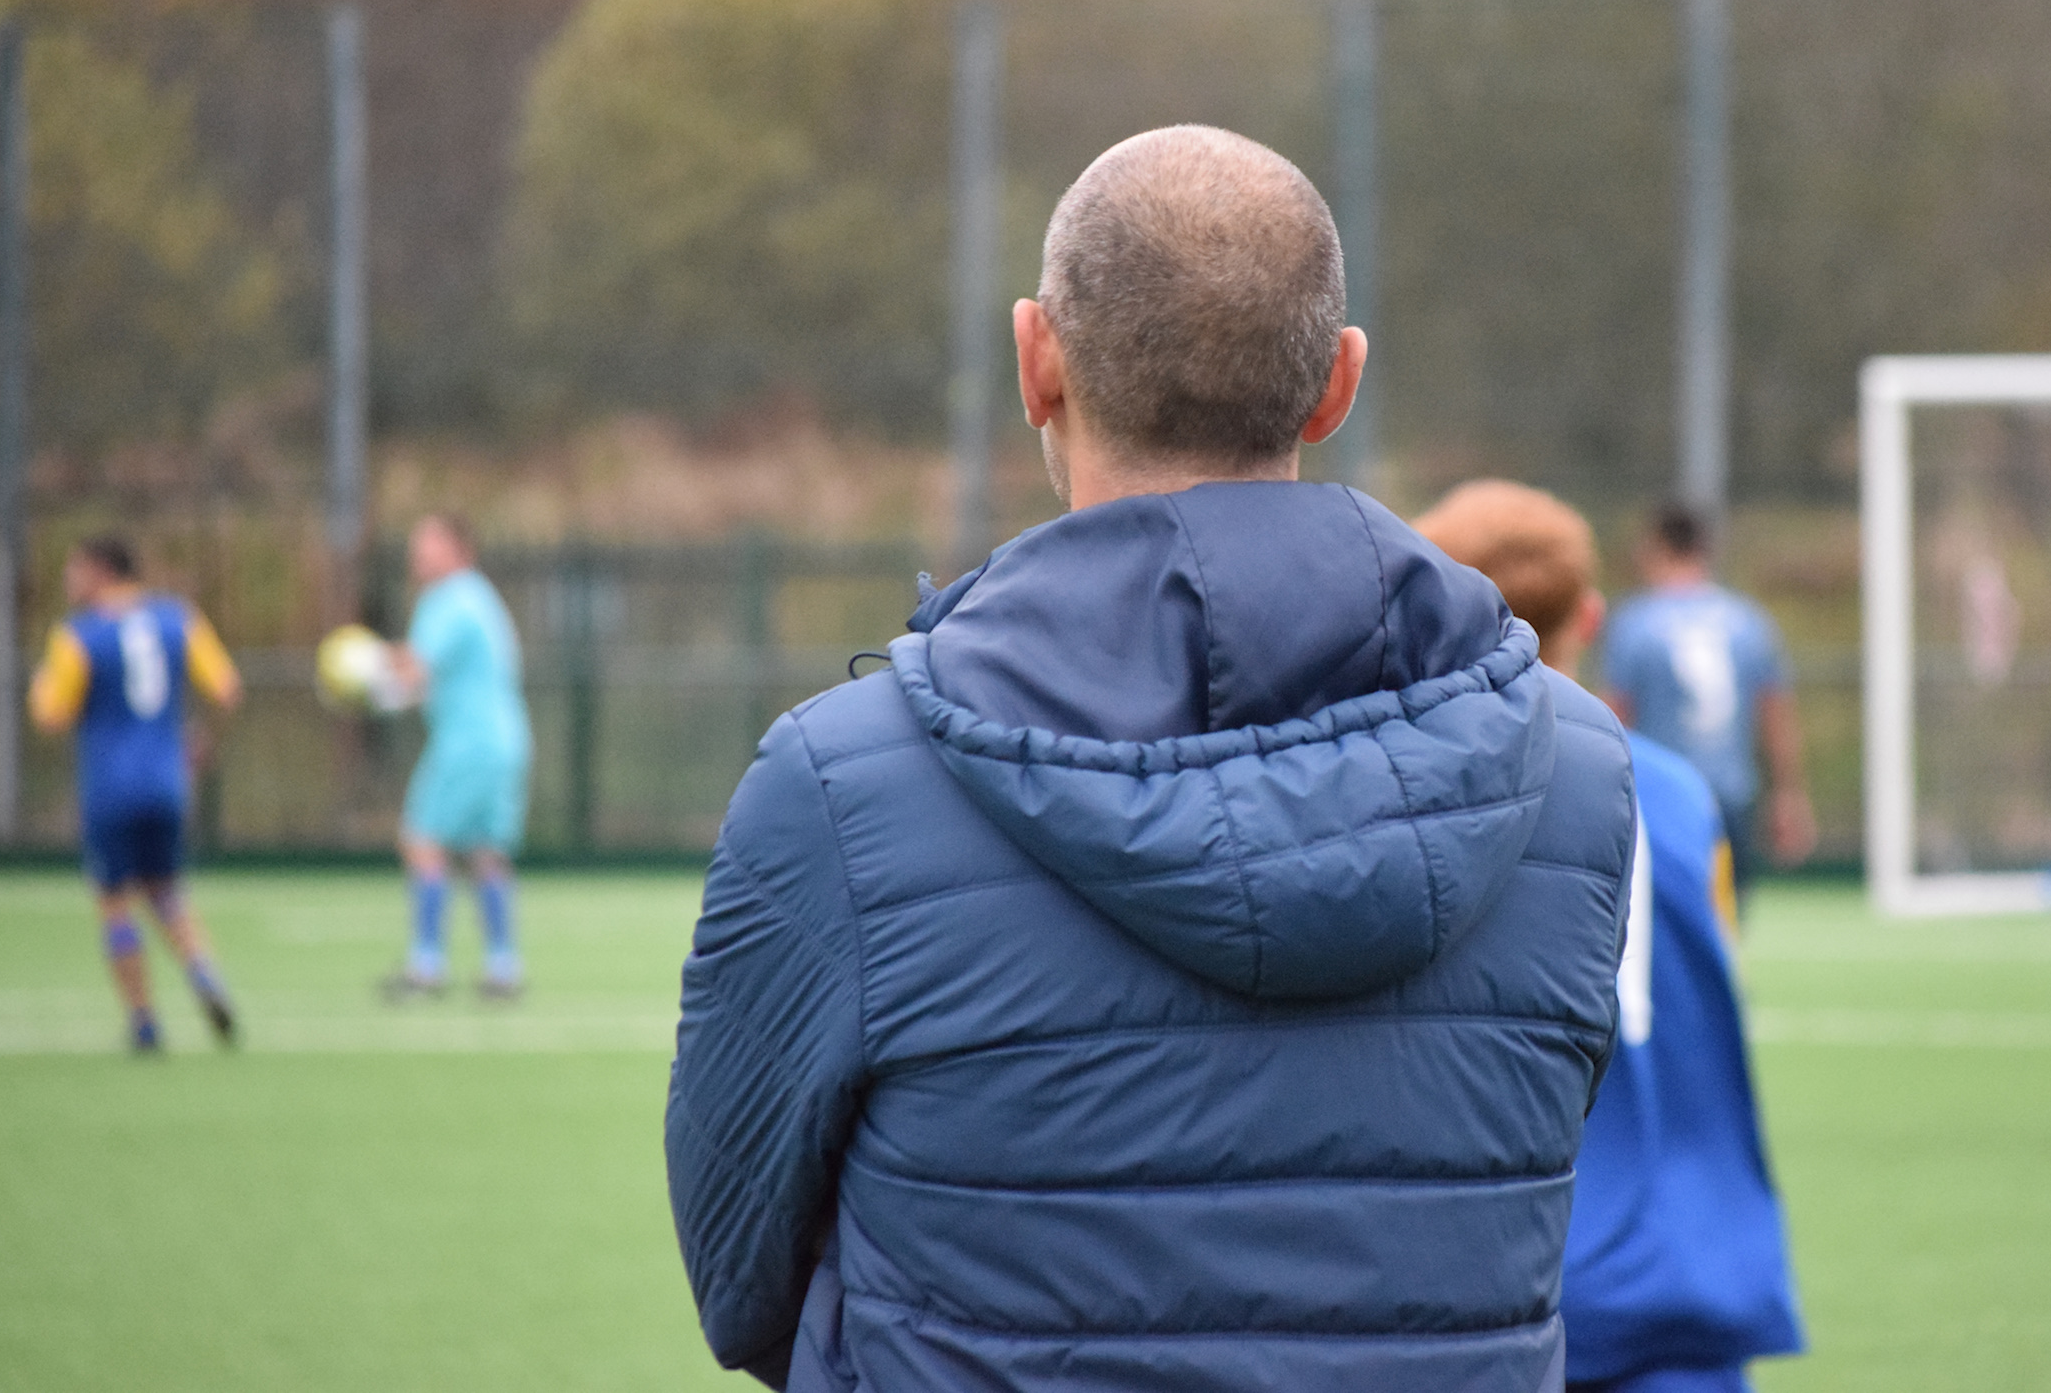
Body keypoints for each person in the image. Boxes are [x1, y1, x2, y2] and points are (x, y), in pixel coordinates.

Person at [666, 126, 1640, 1393]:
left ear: (1036, 360)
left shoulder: (840, 787)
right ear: (1336, 383)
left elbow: (745, 1280)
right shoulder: (1576, 775)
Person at [1416, 480, 1804, 1393]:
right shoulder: (1681, 797)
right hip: (1681, 1273)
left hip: (1506, 1286)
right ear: (1591, 614)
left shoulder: (1422, 794)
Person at [27, 533, 243, 1053]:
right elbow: (227, 689)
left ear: (101, 571)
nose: (68, 579)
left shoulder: (78, 636)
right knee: (165, 888)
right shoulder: (179, 619)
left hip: (109, 787)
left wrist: (44, 684)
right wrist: (200, 741)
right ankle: (203, 972)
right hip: (169, 783)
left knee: (114, 901)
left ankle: (144, 1021)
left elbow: (50, 715)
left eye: (75, 568)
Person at [1603, 503, 1815, 897]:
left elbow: (1615, 717)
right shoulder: (1748, 621)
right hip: (1730, 796)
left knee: (1664, 926)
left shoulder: (1635, 624)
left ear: (1655, 548)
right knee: (1724, 926)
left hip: (1659, 801)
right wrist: (1788, 793)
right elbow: (1774, 713)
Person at [378, 513, 533, 1001]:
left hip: (468, 743)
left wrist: (359, 664)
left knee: (422, 841)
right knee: (487, 853)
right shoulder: (479, 595)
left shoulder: (448, 599)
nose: (418, 553)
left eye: (429, 543)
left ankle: (427, 966)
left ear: (459, 549)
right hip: (505, 739)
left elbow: (413, 669)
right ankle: (502, 965)